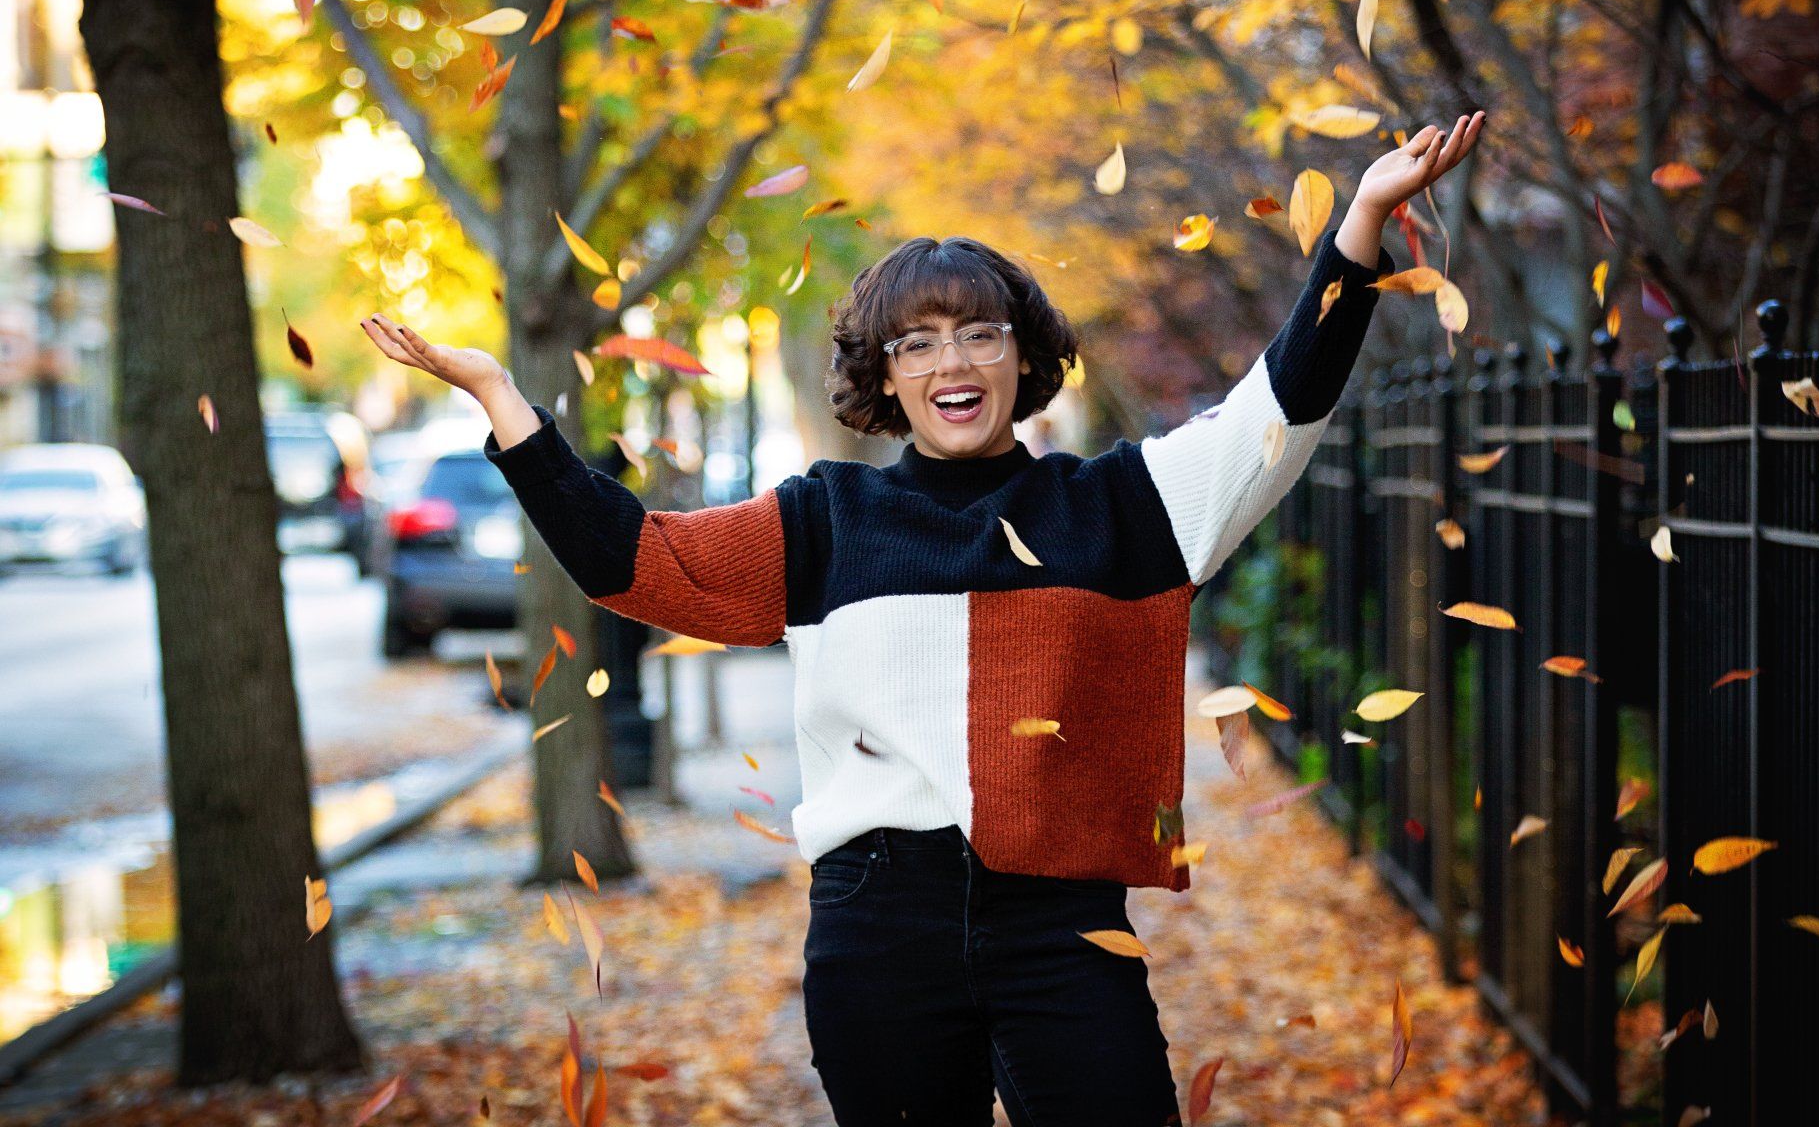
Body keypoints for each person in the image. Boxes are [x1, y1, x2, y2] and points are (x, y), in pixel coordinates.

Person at [360, 113, 1485, 1126]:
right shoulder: (823, 521)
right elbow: (632, 560)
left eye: (980, 331)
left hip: (1062, 929)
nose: (953, 359)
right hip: (877, 928)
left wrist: (1361, 225)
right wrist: (504, 400)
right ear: (884, 377)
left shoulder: (1121, 505)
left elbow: (1276, 410)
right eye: (918, 342)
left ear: (1024, 355)